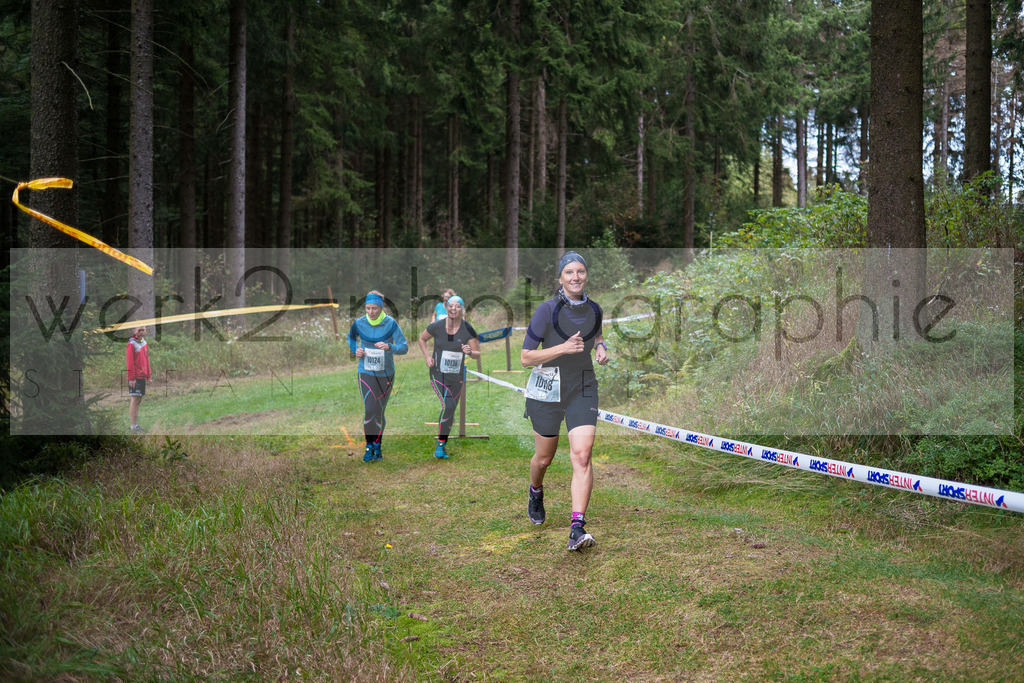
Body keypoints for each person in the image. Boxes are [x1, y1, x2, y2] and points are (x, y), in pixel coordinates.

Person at [521, 251, 609, 550]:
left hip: (582, 386)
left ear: (586, 275)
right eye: (569, 272)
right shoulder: (547, 310)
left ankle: (577, 526)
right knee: (544, 457)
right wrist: (562, 349)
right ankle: (535, 490)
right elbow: (525, 357)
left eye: (580, 272)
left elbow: (596, 334)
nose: (575, 277)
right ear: (560, 277)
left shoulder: (594, 309)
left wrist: (600, 347)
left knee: (582, 455)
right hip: (548, 389)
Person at [347, 291, 409, 462]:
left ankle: (377, 445)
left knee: (379, 412)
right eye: (368, 308)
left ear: (381, 308)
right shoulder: (359, 323)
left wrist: (389, 347)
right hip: (366, 372)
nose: (371, 311)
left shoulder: (391, 324)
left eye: (374, 308)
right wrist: (355, 350)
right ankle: (368, 446)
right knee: (369, 410)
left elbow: (404, 347)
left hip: (386, 374)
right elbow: (351, 338)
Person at [418, 295, 481, 459]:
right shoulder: (437, 326)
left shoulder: (468, 329)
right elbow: (422, 339)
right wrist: (426, 356)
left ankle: (443, 443)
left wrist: (470, 352)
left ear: (462, 309)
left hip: (457, 376)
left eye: (457, 306)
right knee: (449, 405)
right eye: (451, 306)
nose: (453, 309)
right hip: (438, 373)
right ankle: (439, 445)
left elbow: (477, 353)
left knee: (451, 409)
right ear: (446, 308)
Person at [126, 324, 151, 434]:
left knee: (138, 400)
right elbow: (130, 362)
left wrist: (148, 375)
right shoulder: (131, 344)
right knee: (134, 399)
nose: (141, 332)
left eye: (143, 330)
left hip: (142, 376)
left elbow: (146, 360)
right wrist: (131, 378)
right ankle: (133, 427)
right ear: (134, 330)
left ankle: (136, 425)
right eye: (139, 330)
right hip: (134, 377)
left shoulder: (144, 343)